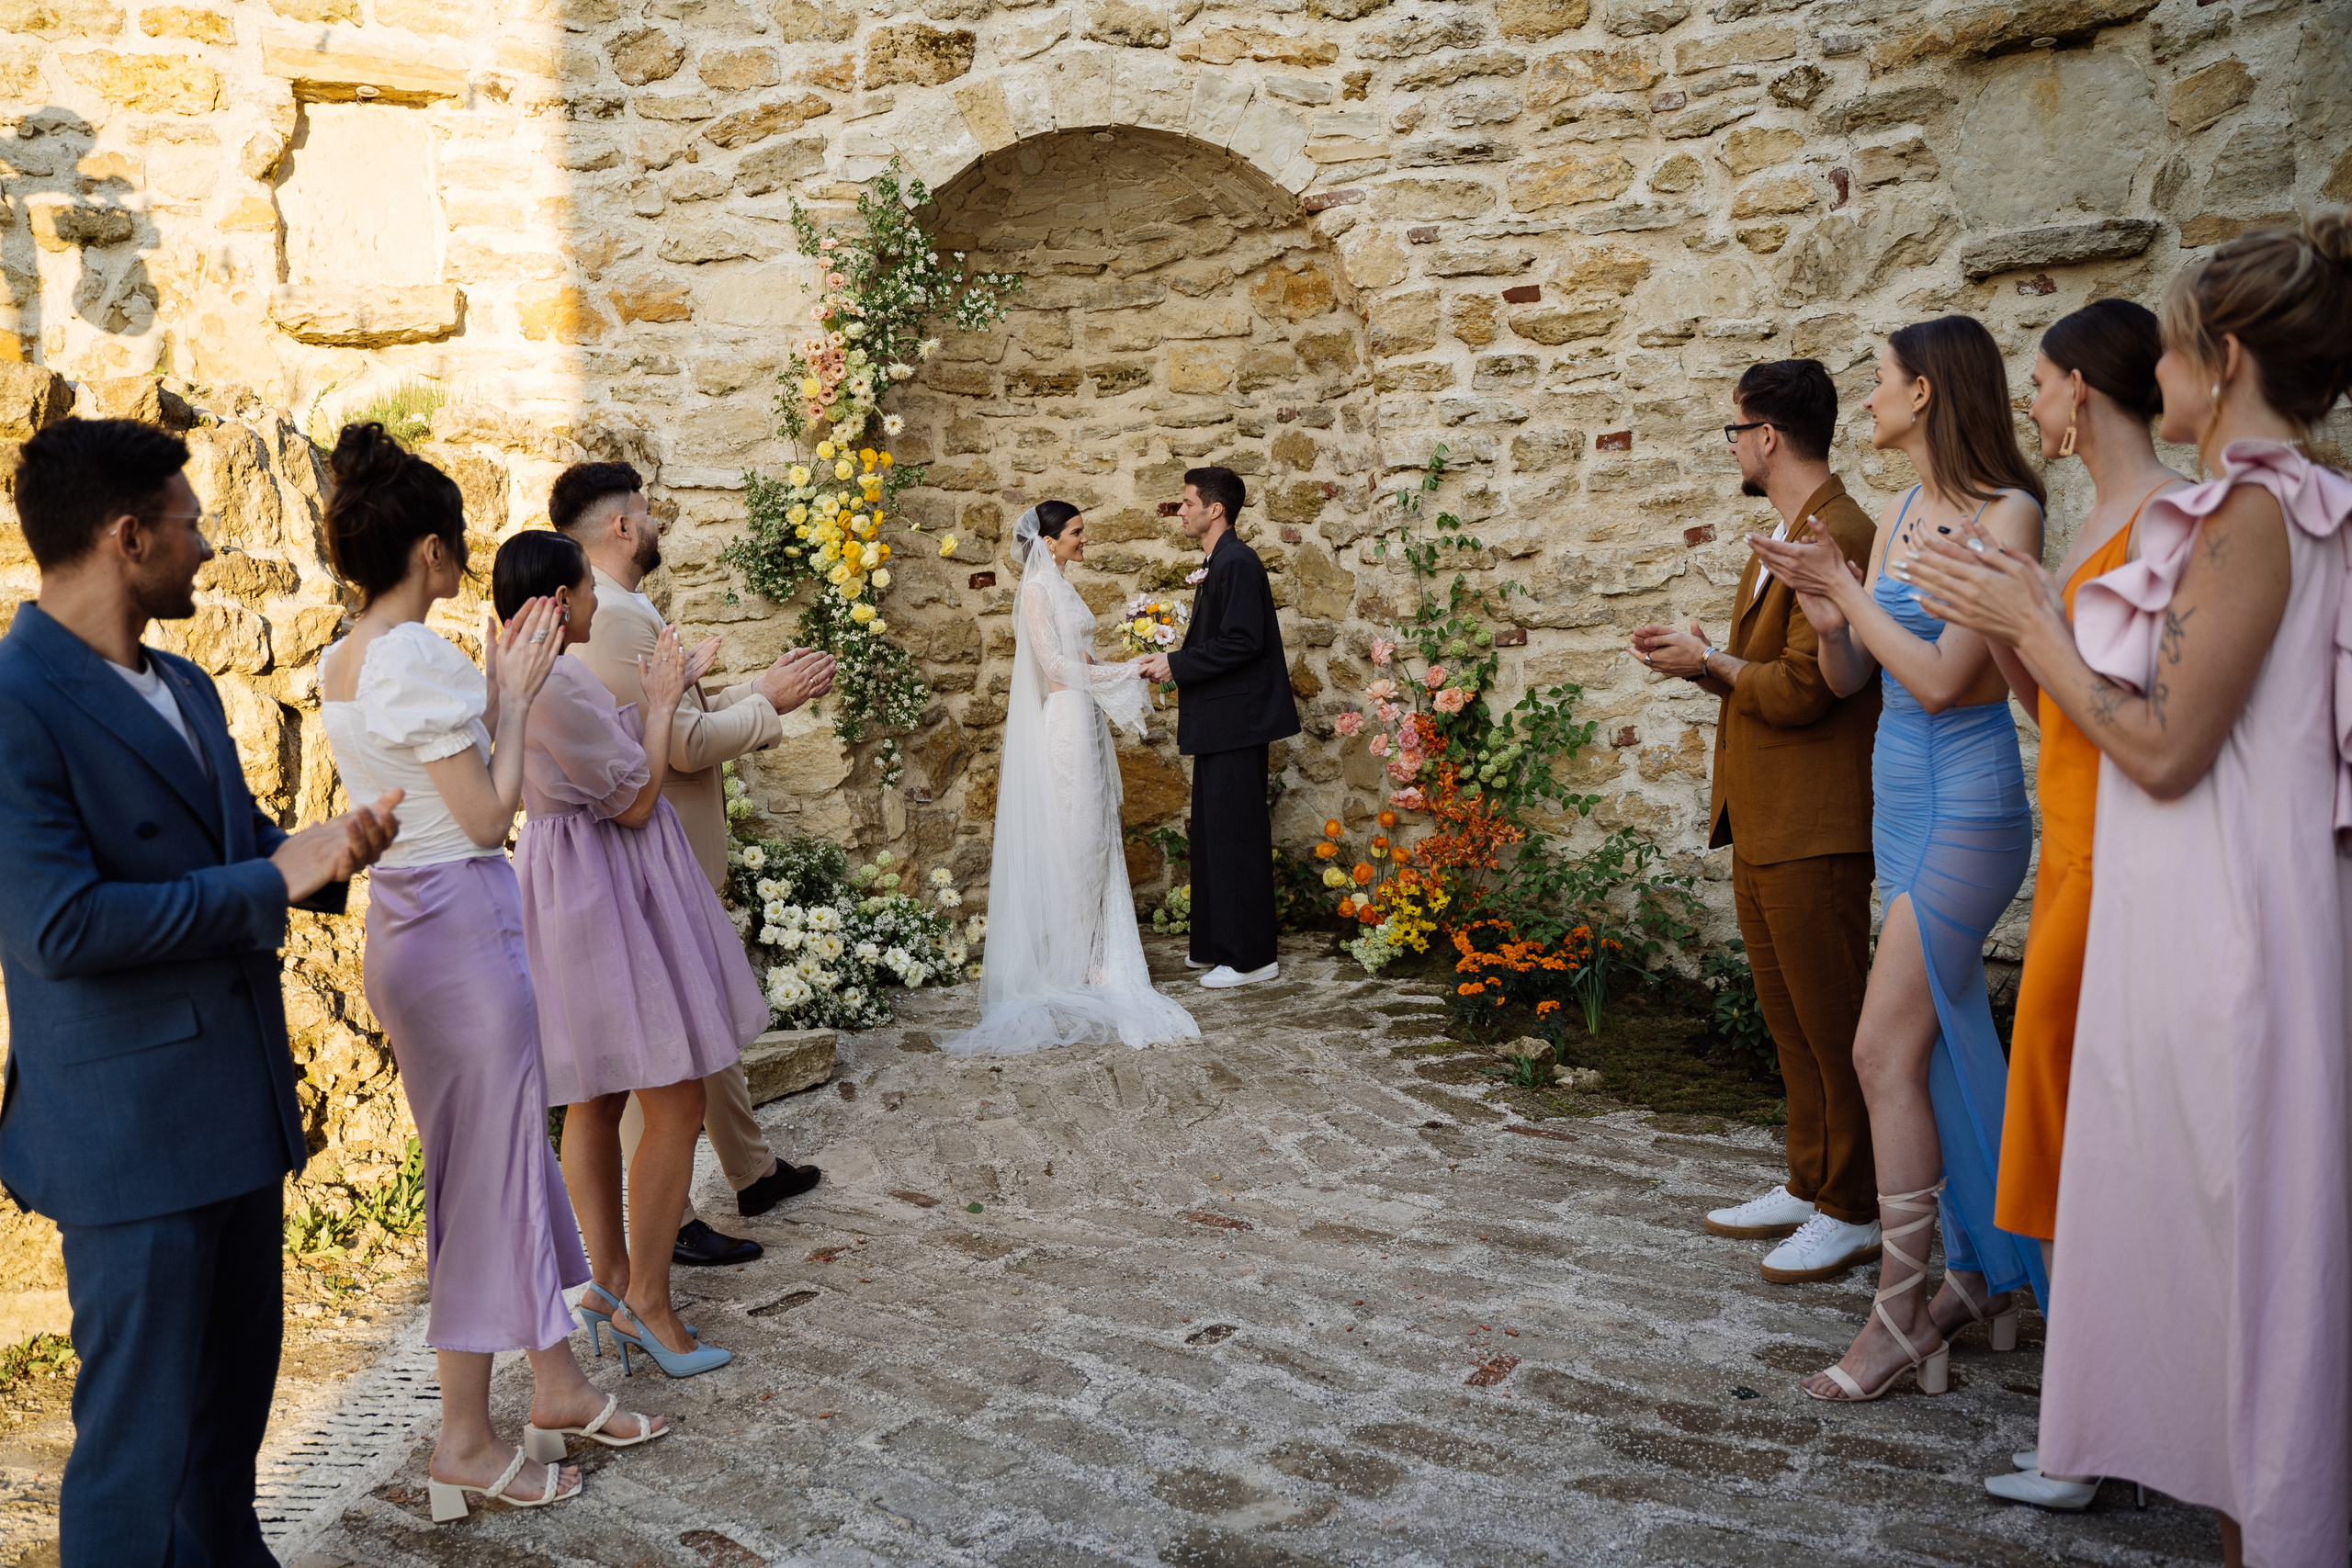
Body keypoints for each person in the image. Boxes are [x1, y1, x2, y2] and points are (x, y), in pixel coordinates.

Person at [1905, 218, 2352, 1565]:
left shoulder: (2257, 513)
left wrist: (2034, 615)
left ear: (2217, 362)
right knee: (2211, 1242)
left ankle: (2269, 1523)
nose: (2150, 373)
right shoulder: (2284, 504)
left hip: (2230, 927)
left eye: (2163, 346)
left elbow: (2165, 742)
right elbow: (2117, 719)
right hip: (2208, 906)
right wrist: (2026, 615)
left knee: (2246, 1236)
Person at [0, 418, 400, 1567]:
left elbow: (230, 849)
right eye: (191, 525)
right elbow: (60, 926)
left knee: (225, 1444)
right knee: (135, 1457)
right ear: (128, 537)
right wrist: (270, 874)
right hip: (125, 1139)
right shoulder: (16, 703)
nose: (210, 547)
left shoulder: (183, 682)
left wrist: (325, 852)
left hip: (233, 1112)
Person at [316, 424, 669, 1524]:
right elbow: (482, 814)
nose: (467, 562)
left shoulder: (342, 652)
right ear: (429, 549)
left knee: (503, 1161)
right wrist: (511, 702)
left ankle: (555, 1387)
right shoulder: (416, 654)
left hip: (409, 931)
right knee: (481, 1183)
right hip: (463, 924)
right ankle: (463, 1442)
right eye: (459, 543)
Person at [1748, 315, 2050, 1403]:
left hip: (1969, 808)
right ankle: (1983, 1280)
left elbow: (1940, 678)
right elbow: (1852, 675)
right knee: (1935, 1051)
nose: (1868, 397)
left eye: (1880, 380)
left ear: (1924, 394)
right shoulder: (1909, 510)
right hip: (1899, 801)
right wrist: (1827, 605)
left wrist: (1853, 588)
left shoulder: (2006, 508)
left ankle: (1899, 1315)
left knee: (1880, 1051)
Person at [1913, 303, 2184, 1511]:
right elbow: (2056, 710)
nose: (2031, 403)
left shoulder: (2164, 524)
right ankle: (2096, 1417)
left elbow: (2143, 724)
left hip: (2114, 862)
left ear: (2082, 389)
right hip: (2077, 851)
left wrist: (2026, 616)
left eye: (2041, 381)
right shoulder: (2093, 527)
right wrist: (2009, 622)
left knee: (2082, 1150)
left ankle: (2096, 1434)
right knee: (2068, 1145)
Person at [1631, 360, 1884, 1286]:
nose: (1733, 445)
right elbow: (1759, 669)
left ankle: (1855, 1207)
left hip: (1816, 821)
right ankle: (1810, 1178)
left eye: (1735, 430)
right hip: (1765, 813)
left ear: (1766, 437)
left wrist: (1715, 663)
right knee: (1789, 1022)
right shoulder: (1782, 533)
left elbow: (1807, 689)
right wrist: (1697, 662)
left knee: (1833, 1024)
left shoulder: (1838, 532)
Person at [551, 461, 837, 1269]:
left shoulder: (621, 609)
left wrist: (749, 687)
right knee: (657, 1033)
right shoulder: (610, 619)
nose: (655, 520)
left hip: (667, 848)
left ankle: (751, 1170)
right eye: (645, 509)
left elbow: (679, 715)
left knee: (701, 1008)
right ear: (620, 526)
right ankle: (664, 1223)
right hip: (652, 853)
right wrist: (769, 704)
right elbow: (676, 746)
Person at [498, 528, 768, 1380]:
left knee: (598, 1095)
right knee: (676, 1099)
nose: (590, 601)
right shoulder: (555, 684)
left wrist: (668, 684)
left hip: (568, 886)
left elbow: (595, 753)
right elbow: (638, 799)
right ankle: (649, 1298)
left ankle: (611, 1285)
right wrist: (658, 709)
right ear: (559, 601)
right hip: (605, 894)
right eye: (582, 590)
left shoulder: (520, 665)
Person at [944, 502, 1199, 1055]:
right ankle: (1069, 961)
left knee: (1095, 833)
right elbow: (1056, 667)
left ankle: (1093, 955)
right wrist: (1128, 670)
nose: (1085, 540)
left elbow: (1081, 653)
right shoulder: (1035, 591)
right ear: (1050, 540)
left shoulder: (1062, 585)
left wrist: (1125, 664)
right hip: (1062, 724)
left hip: (1085, 721)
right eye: (1077, 533)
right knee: (1075, 837)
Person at [1136, 468, 1302, 988]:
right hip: (1220, 722)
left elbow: (1243, 642)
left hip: (1237, 721)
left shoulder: (1237, 561)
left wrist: (1176, 664)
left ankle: (1252, 958)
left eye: (1187, 503)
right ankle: (1213, 943)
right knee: (1214, 835)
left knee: (1236, 836)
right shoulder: (1219, 561)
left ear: (1215, 510)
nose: (1180, 511)